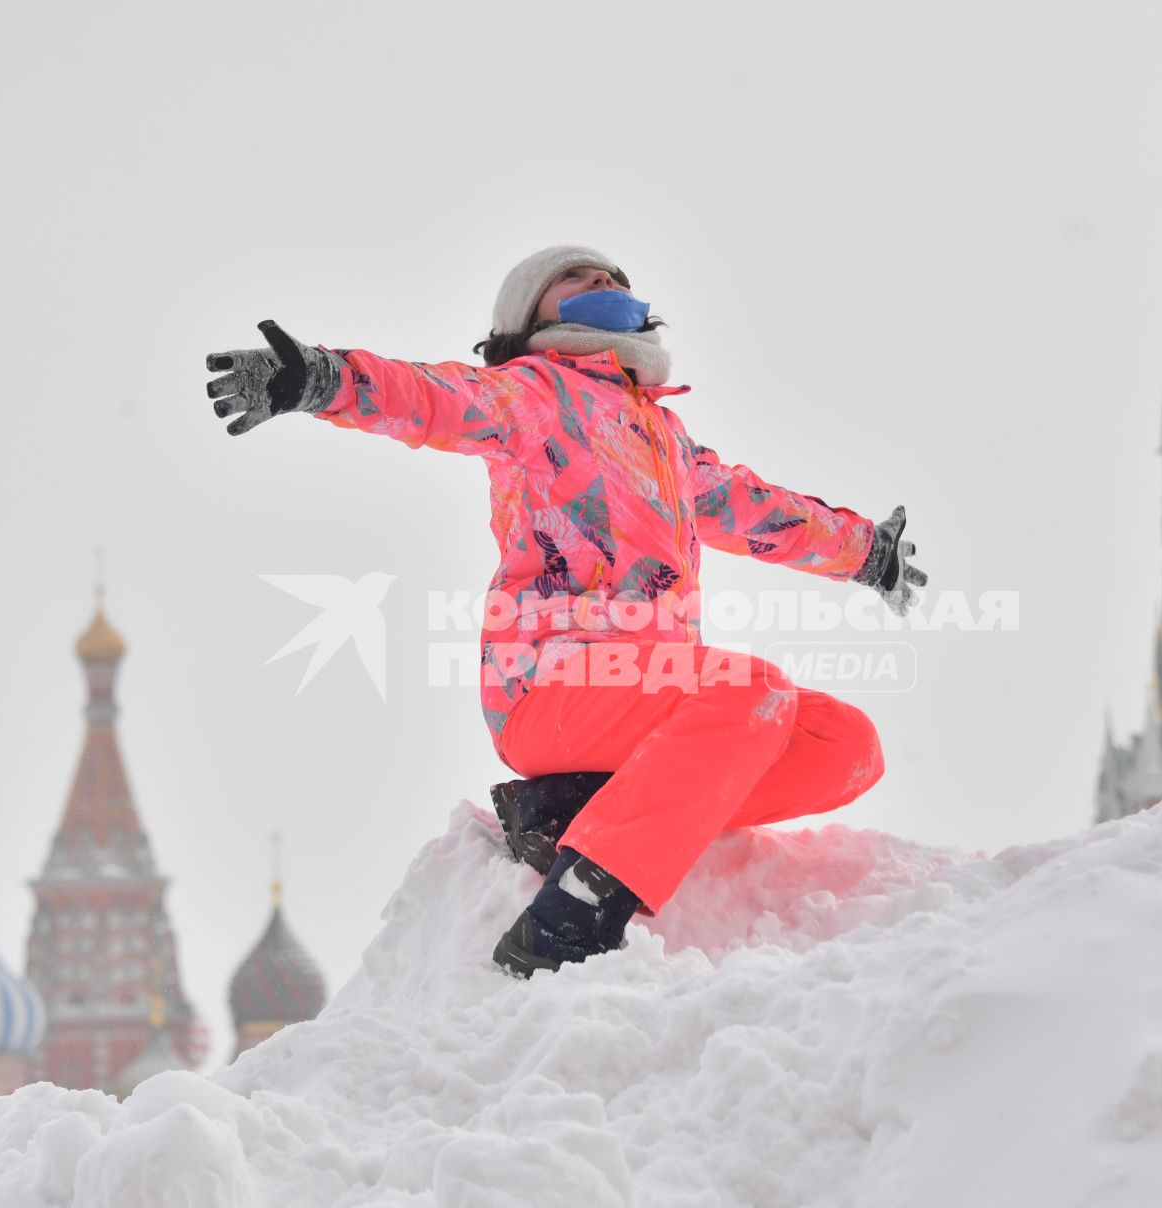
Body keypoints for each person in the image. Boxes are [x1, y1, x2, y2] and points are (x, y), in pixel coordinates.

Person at [205, 246, 926, 977]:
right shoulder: (534, 394)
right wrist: (323, 380)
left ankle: (577, 811)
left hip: (647, 694)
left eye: (614, 278)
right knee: (750, 689)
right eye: (576, 278)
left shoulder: (664, 441)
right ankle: (574, 909)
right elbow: (435, 397)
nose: (603, 284)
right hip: (550, 684)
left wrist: (867, 552)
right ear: (529, 316)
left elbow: (757, 508)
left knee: (846, 744)